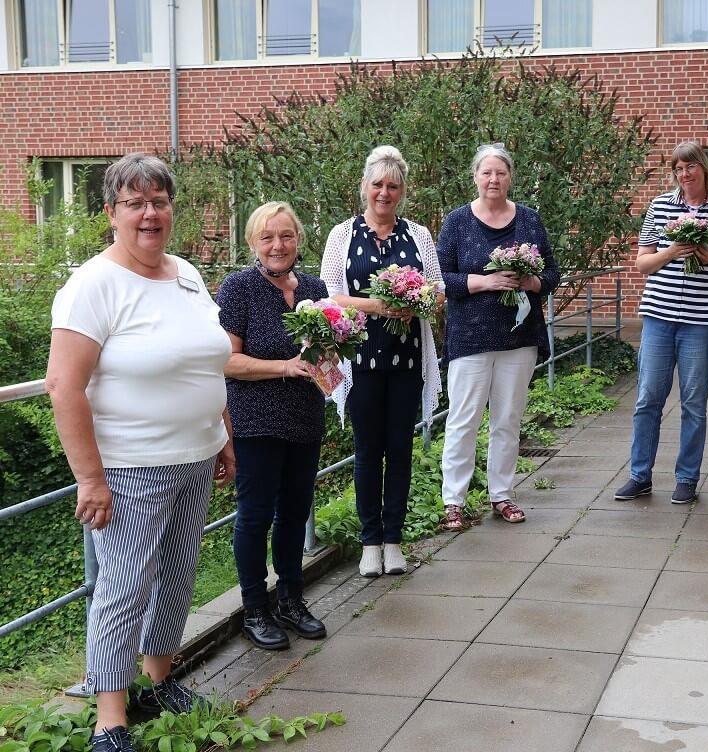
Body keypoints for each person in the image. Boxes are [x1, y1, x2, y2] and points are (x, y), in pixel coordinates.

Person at [45, 154, 234, 752]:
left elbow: (207, 360)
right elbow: (63, 385)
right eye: (135, 203)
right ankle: (110, 718)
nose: (150, 213)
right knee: (123, 589)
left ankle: (159, 682)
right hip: (129, 467)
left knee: (177, 578)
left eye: (159, 200)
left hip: (195, 455)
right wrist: (90, 478)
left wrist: (222, 432)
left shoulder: (185, 274)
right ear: (111, 213)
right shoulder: (93, 285)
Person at [320, 146, 443, 577]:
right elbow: (330, 295)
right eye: (377, 185)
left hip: (407, 360)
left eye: (392, 186)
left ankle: (395, 539)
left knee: (401, 450)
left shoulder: (419, 235)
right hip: (362, 362)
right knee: (368, 451)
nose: (384, 193)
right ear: (365, 188)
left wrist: (417, 301)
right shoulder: (342, 235)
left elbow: (439, 289)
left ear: (402, 191)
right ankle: (370, 542)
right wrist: (376, 305)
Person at [216, 201, 329, 650]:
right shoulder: (238, 289)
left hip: (305, 419)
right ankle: (254, 610)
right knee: (255, 517)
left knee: (295, 514)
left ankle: (290, 599)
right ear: (253, 244)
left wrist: (330, 359)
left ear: (298, 239)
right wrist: (285, 367)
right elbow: (225, 360)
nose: (278, 245)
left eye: (286, 235)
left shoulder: (315, 288)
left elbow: (323, 354)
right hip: (255, 422)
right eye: (268, 237)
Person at [615, 140, 708, 504]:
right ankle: (639, 475)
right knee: (647, 400)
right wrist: (672, 251)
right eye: (678, 168)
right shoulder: (660, 207)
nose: (685, 174)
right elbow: (642, 264)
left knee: (693, 403)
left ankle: (686, 479)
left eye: (690, 167)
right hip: (659, 318)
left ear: (704, 168)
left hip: (703, 323)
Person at [437, 143, 560, 531]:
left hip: (518, 338)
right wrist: (485, 282)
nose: (493, 179)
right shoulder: (457, 222)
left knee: (507, 420)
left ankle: (501, 495)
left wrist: (530, 280)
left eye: (501, 173)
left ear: (510, 177)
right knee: (463, 421)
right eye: (486, 172)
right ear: (475, 177)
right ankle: (453, 501)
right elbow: (440, 280)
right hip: (470, 338)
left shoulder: (529, 220)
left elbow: (552, 277)